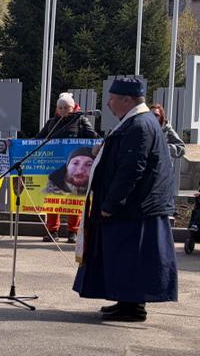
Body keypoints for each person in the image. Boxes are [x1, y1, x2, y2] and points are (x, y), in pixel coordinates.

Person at [74, 76, 178, 322]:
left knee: (132, 258)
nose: (108, 104)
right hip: (132, 208)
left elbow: (131, 169)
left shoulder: (139, 125)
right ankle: (126, 302)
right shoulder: (134, 122)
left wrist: (112, 203)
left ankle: (134, 307)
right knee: (123, 258)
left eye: (112, 98)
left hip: (134, 209)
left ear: (127, 100)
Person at [38, 93, 99, 241]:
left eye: (66, 107)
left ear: (73, 107)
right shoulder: (52, 122)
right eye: (60, 108)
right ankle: (52, 231)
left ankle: (73, 231)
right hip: (55, 166)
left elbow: (94, 138)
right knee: (53, 198)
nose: (63, 110)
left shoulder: (81, 120)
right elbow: (37, 139)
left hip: (75, 167)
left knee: (74, 198)